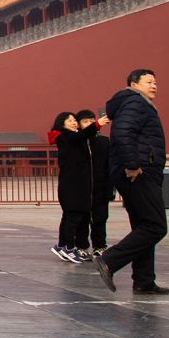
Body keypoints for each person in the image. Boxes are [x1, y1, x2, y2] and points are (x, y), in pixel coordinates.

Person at [95, 69, 169, 295]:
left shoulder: (133, 103)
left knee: (143, 225)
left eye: (155, 82)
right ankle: (109, 260)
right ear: (134, 84)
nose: (154, 85)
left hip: (138, 171)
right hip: (139, 172)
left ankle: (144, 280)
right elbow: (123, 132)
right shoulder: (135, 102)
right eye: (149, 82)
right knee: (156, 226)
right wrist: (132, 164)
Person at [47, 112, 105, 263]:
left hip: (75, 184)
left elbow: (82, 136)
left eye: (74, 120)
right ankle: (69, 248)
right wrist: (97, 124)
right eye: (70, 120)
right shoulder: (65, 137)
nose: (74, 123)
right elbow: (80, 136)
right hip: (73, 186)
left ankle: (62, 245)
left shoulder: (73, 137)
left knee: (68, 216)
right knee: (72, 217)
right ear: (62, 123)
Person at [76, 109, 114, 255]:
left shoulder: (104, 142)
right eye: (85, 122)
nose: (89, 124)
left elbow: (109, 167)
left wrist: (110, 189)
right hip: (82, 189)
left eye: (92, 121)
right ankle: (81, 246)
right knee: (82, 220)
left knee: (100, 218)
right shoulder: (77, 142)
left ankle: (100, 246)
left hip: (100, 187)